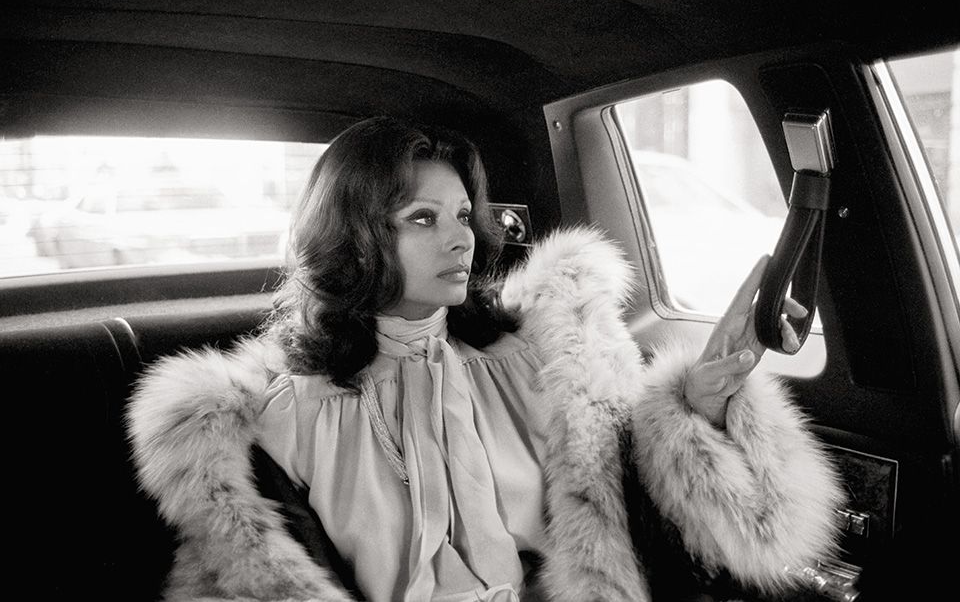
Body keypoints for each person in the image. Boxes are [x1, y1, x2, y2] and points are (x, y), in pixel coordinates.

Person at [127, 116, 845, 602]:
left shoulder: (541, 360)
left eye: (464, 213)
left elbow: (669, 509)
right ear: (352, 237)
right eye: (422, 218)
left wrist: (710, 395)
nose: (460, 237)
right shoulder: (282, 414)